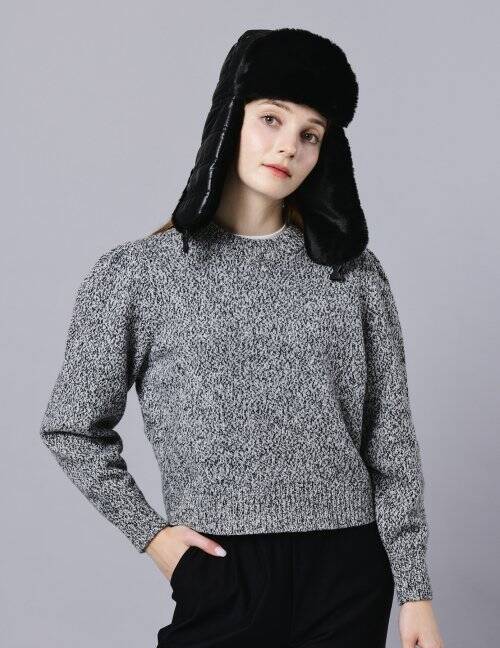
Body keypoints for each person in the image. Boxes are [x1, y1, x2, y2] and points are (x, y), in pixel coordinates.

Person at [39, 28, 444, 648]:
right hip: (222, 571)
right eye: (271, 119)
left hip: (348, 570)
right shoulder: (137, 275)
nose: (288, 146)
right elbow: (71, 427)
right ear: (230, 119)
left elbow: (390, 441)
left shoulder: (354, 274)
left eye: (310, 134)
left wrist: (415, 593)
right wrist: (154, 536)